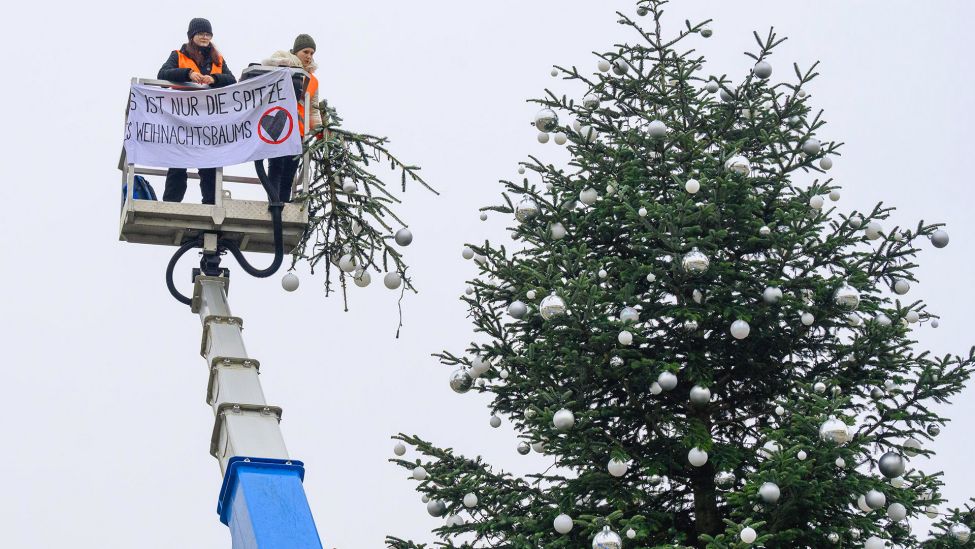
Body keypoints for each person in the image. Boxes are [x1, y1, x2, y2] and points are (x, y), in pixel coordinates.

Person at [157, 18, 237, 204]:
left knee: (209, 166)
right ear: (192, 36)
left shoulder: (218, 59)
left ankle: (210, 206)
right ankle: (171, 205)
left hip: (209, 121)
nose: (205, 37)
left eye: (208, 34)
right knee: (178, 164)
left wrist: (214, 79)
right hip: (182, 120)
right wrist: (188, 74)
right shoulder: (178, 55)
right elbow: (162, 74)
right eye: (201, 33)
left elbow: (232, 80)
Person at [261, 33, 321, 203]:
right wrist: (283, 64)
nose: (309, 56)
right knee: (276, 166)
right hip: (280, 125)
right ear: (296, 52)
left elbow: (313, 109)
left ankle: (284, 205)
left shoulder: (313, 80)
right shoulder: (284, 61)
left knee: (289, 170)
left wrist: (319, 131)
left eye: (312, 53)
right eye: (305, 52)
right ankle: (274, 203)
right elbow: (266, 64)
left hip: (298, 130)